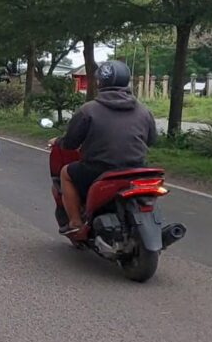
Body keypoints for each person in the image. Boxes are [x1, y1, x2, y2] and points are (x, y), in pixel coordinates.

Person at [54, 60, 157, 237]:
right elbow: (152, 140)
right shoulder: (143, 111)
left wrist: (59, 141)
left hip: (99, 170)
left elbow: (70, 143)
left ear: (100, 82)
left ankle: (75, 222)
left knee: (65, 173)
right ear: (126, 82)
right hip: (137, 170)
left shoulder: (88, 110)